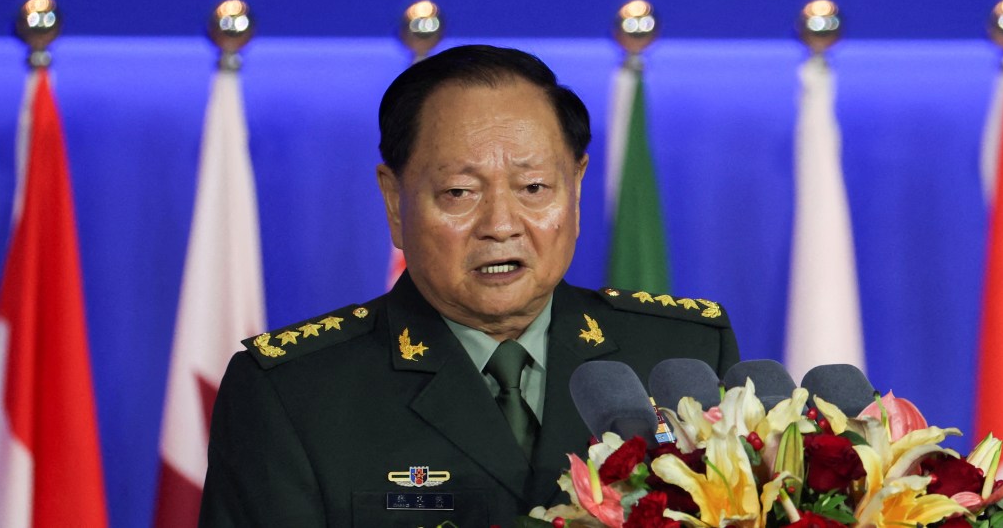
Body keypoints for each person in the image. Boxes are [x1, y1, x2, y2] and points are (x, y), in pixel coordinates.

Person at [199, 45, 740, 526]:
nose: (501, 225)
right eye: (459, 192)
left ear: (575, 189)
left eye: (534, 187)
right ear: (394, 202)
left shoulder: (682, 355)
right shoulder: (294, 394)